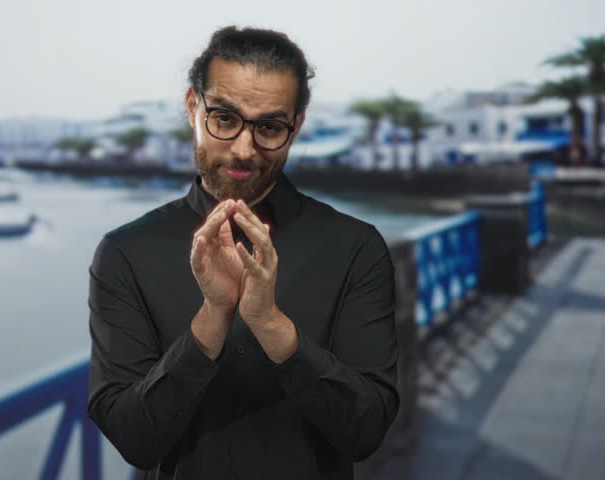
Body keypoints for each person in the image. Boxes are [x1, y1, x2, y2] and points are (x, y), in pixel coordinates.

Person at [87, 26, 400, 480]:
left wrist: (270, 323)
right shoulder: (125, 252)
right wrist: (214, 314)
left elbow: (366, 432)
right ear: (193, 107)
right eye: (225, 118)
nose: (243, 148)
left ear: (296, 127)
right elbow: (135, 440)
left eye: (269, 127)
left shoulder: (357, 247)